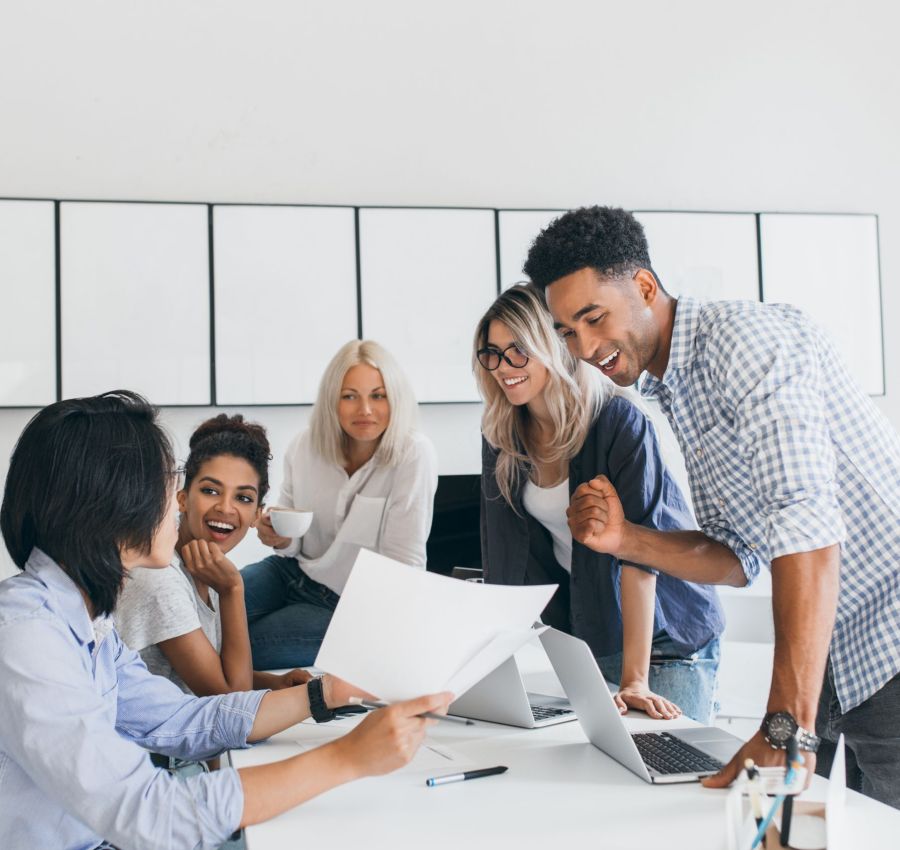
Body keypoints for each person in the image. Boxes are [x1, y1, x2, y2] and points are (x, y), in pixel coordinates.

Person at [525, 205, 900, 807]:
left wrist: (786, 727)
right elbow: (740, 556)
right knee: (786, 832)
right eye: (568, 331)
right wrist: (628, 540)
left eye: (593, 318)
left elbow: (806, 525)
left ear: (644, 286)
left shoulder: (745, 343)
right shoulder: (671, 385)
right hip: (828, 658)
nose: (585, 346)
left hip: (888, 639)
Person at [0, 391, 451, 849]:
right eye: (166, 485)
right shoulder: (27, 636)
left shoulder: (88, 622)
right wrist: (348, 758)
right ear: (113, 503)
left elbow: (179, 719)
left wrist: (326, 693)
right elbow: (148, 814)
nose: (173, 506)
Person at [474, 285, 724, 723]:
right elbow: (501, 558)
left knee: (662, 766)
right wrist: (484, 666)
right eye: (492, 353)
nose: (502, 367)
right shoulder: (502, 436)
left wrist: (635, 680)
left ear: (551, 346)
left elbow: (639, 557)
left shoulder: (619, 422)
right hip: (590, 635)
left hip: (663, 642)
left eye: (518, 351)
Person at [242, 340, 438, 669]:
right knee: (206, 611)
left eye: (378, 395)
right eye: (350, 396)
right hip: (290, 572)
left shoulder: (413, 454)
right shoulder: (304, 446)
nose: (365, 410)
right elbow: (291, 543)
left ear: (395, 398)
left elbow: (404, 566)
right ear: (333, 399)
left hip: (348, 608)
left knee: (240, 647)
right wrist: (279, 536)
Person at [116, 414, 310, 702]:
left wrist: (273, 684)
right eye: (210, 491)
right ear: (182, 498)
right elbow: (232, 702)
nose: (226, 508)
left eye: (243, 498)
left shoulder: (204, 564)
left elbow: (212, 672)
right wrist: (232, 590)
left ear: (257, 514)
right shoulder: (161, 578)